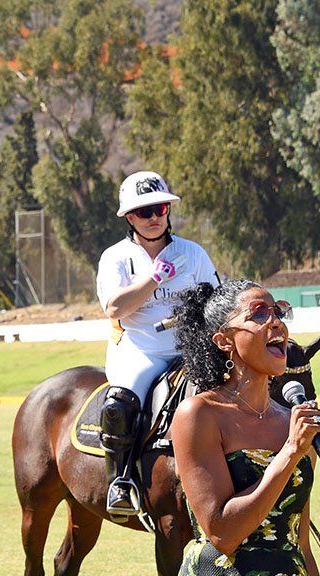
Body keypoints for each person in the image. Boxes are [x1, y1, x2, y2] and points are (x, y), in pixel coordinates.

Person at [161, 279, 320, 576]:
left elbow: (301, 542)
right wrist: (290, 451)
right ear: (225, 341)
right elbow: (221, 532)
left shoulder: (292, 420)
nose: (276, 322)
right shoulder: (199, 415)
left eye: (278, 312)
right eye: (259, 314)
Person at [95, 170, 219, 516]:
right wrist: (153, 278)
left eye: (159, 209)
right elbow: (115, 308)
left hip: (190, 347)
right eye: (142, 212)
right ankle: (120, 482)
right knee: (119, 405)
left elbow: (216, 301)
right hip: (140, 348)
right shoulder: (115, 258)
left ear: (168, 210)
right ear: (128, 217)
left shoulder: (193, 254)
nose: (152, 218)